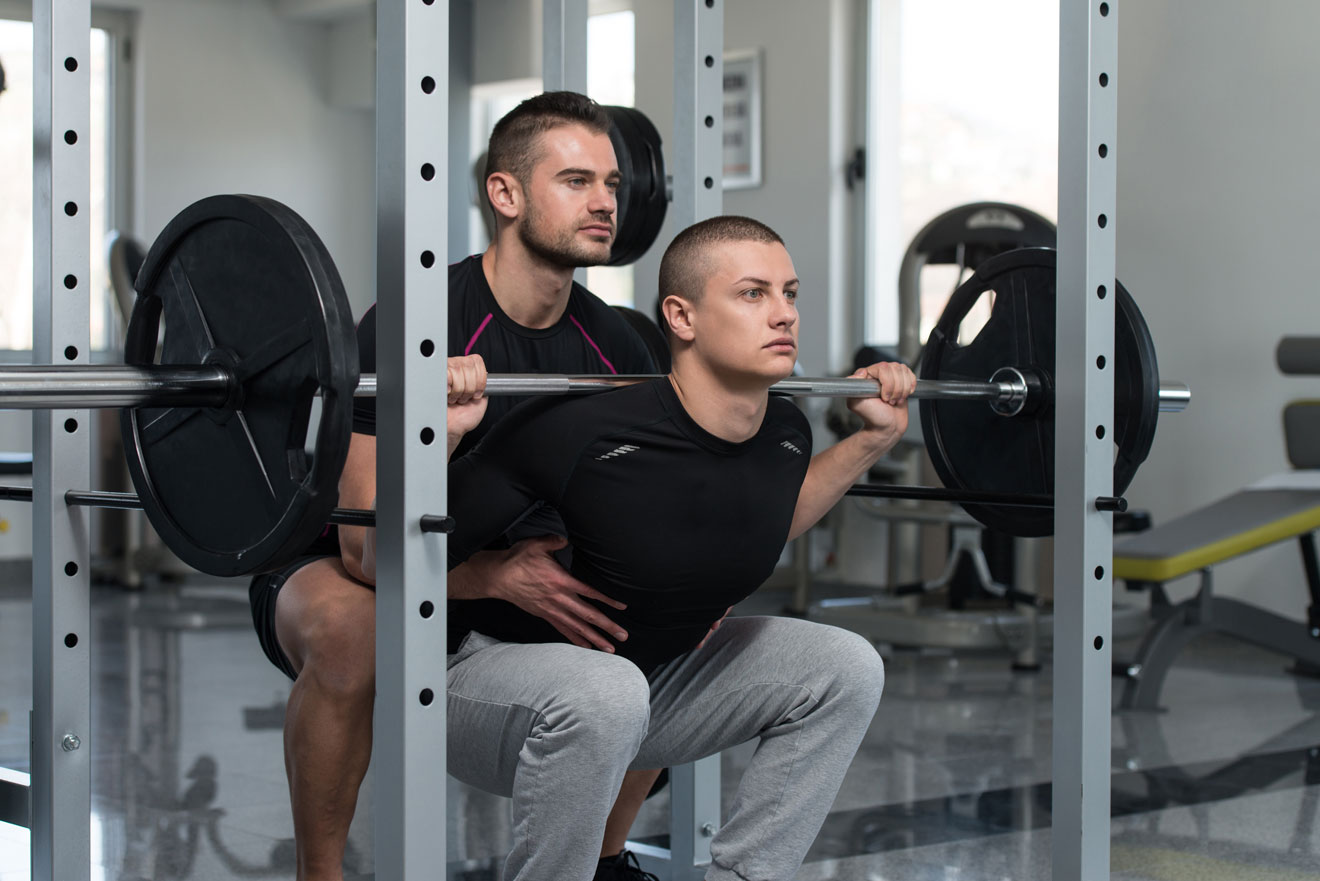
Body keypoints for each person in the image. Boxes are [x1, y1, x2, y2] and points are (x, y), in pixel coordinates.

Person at [366, 215, 918, 881]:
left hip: (635, 698)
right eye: (753, 294)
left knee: (845, 665)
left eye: (790, 293)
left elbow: (770, 515)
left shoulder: (784, 429)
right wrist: (447, 435)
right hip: (471, 692)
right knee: (609, 688)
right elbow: (378, 559)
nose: (783, 314)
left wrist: (869, 442)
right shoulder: (578, 431)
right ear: (681, 317)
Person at [248, 91, 673, 881]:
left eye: (612, 184)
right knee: (356, 629)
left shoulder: (614, 342)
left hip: (495, 569)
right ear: (505, 195)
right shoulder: (416, 321)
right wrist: (444, 449)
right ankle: (322, 874)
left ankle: (607, 861)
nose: (606, 202)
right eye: (577, 180)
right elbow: (368, 549)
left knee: (668, 606)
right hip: (343, 560)